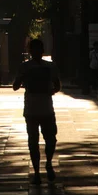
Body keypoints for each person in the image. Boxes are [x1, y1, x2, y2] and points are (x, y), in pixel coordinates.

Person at [13, 38, 61, 185]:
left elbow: (15, 86)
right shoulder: (47, 67)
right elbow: (57, 86)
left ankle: (40, 170)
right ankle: (43, 167)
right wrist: (49, 91)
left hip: (34, 108)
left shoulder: (26, 67)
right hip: (42, 107)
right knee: (48, 138)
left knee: (35, 141)